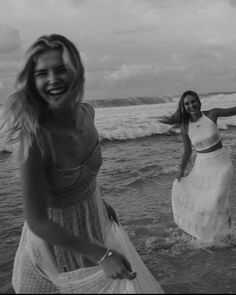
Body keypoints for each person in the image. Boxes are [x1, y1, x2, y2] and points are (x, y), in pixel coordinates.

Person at [1, 34, 164, 293]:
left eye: (61, 69)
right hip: (58, 241)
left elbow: (84, 176)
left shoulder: (88, 113)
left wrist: (100, 203)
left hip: (95, 221)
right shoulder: (34, 141)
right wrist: (102, 255)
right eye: (42, 73)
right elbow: (37, 220)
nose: (53, 79)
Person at [160, 90, 236, 247]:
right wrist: (181, 170)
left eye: (193, 101)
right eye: (187, 103)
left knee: (217, 199)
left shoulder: (212, 114)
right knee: (206, 203)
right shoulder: (185, 127)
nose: (191, 105)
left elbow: (234, 109)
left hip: (222, 164)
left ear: (199, 102)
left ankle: (227, 232)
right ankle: (219, 232)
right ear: (184, 106)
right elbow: (187, 151)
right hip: (203, 165)